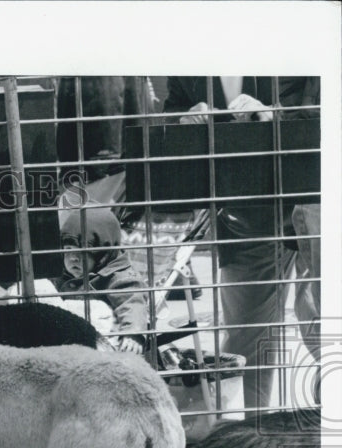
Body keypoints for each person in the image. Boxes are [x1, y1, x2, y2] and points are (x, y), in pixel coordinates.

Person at [164, 76, 316, 409]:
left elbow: (321, 104)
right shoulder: (184, 54)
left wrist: (273, 115)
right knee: (246, 338)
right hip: (245, 212)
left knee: (322, 323)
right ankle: (253, 434)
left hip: (314, 197)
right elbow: (169, 110)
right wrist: (183, 119)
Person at [53, 206, 148, 353]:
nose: (73, 258)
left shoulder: (119, 277)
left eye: (82, 252)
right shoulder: (62, 275)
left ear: (102, 253)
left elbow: (133, 303)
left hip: (105, 343)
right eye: (68, 250)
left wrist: (132, 332)